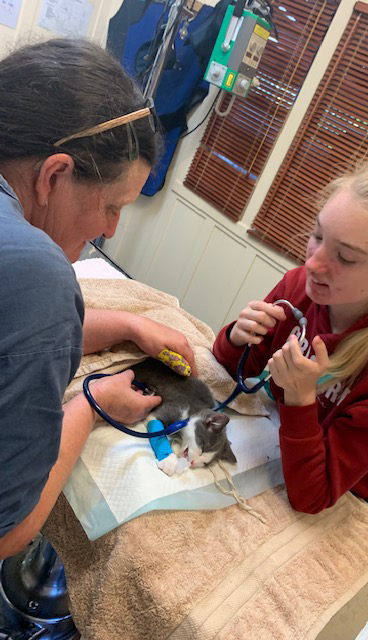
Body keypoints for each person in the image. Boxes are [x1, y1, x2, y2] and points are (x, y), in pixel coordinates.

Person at [0, 38, 196, 560]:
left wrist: (125, 326)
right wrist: (92, 407)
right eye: (111, 206)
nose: (110, 229)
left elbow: (11, 329)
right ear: (55, 175)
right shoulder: (35, 270)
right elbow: (6, 532)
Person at [213, 163, 368, 513]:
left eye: (346, 257)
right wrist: (237, 339)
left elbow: (312, 497)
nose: (314, 264)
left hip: (353, 491)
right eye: (318, 236)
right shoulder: (299, 287)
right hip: (282, 439)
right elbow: (234, 370)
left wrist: (301, 399)